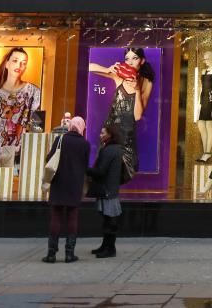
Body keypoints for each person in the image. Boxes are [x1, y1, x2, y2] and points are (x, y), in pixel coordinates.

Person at [89, 47, 155, 177]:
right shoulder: (119, 75)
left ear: (142, 61)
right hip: (109, 132)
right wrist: (107, 69)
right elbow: (89, 66)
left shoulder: (147, 82)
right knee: (104, 173)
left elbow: (137, 116)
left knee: (126, 174)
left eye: (134, 58)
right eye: (127, 59)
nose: (129, 62)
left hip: (127, 135)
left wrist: (136, 89)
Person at [42, 116, 90, 264]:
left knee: (56, 216)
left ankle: (51, 254)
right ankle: (70, 254)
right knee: (72, 217)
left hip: (59, 182)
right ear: (82, 127)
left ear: (70, 126)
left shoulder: (60, 140)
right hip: (75, 184)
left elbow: (49, 159)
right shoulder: (85, 144)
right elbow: (85, 165)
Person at [88, 124, 125, 259]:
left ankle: (109, 248)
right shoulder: (115, 149)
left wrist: (86, 170)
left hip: (107, 189)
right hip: (111, 188)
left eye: (103, 133)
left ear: (110, 135)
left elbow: (101, 171)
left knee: (109, 220)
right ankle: (106, 246)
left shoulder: (108, 150)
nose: (100, 135)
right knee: (108, 219)